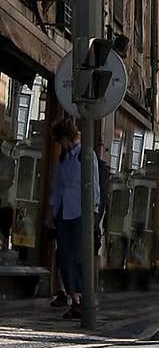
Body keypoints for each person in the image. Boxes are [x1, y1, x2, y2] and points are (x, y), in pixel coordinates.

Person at [47, 120, 101, 319]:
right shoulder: (64, 158)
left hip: (80, 213)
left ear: (67, 137)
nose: (61, 145)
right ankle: (73, 298)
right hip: (63, 213)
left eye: (61, 141)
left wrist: (93, 212)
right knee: (64, 257)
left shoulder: (86, 155)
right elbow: (58, 186)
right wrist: (52, 211)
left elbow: (94, 186)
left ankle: (81, 299)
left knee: (79, 257)